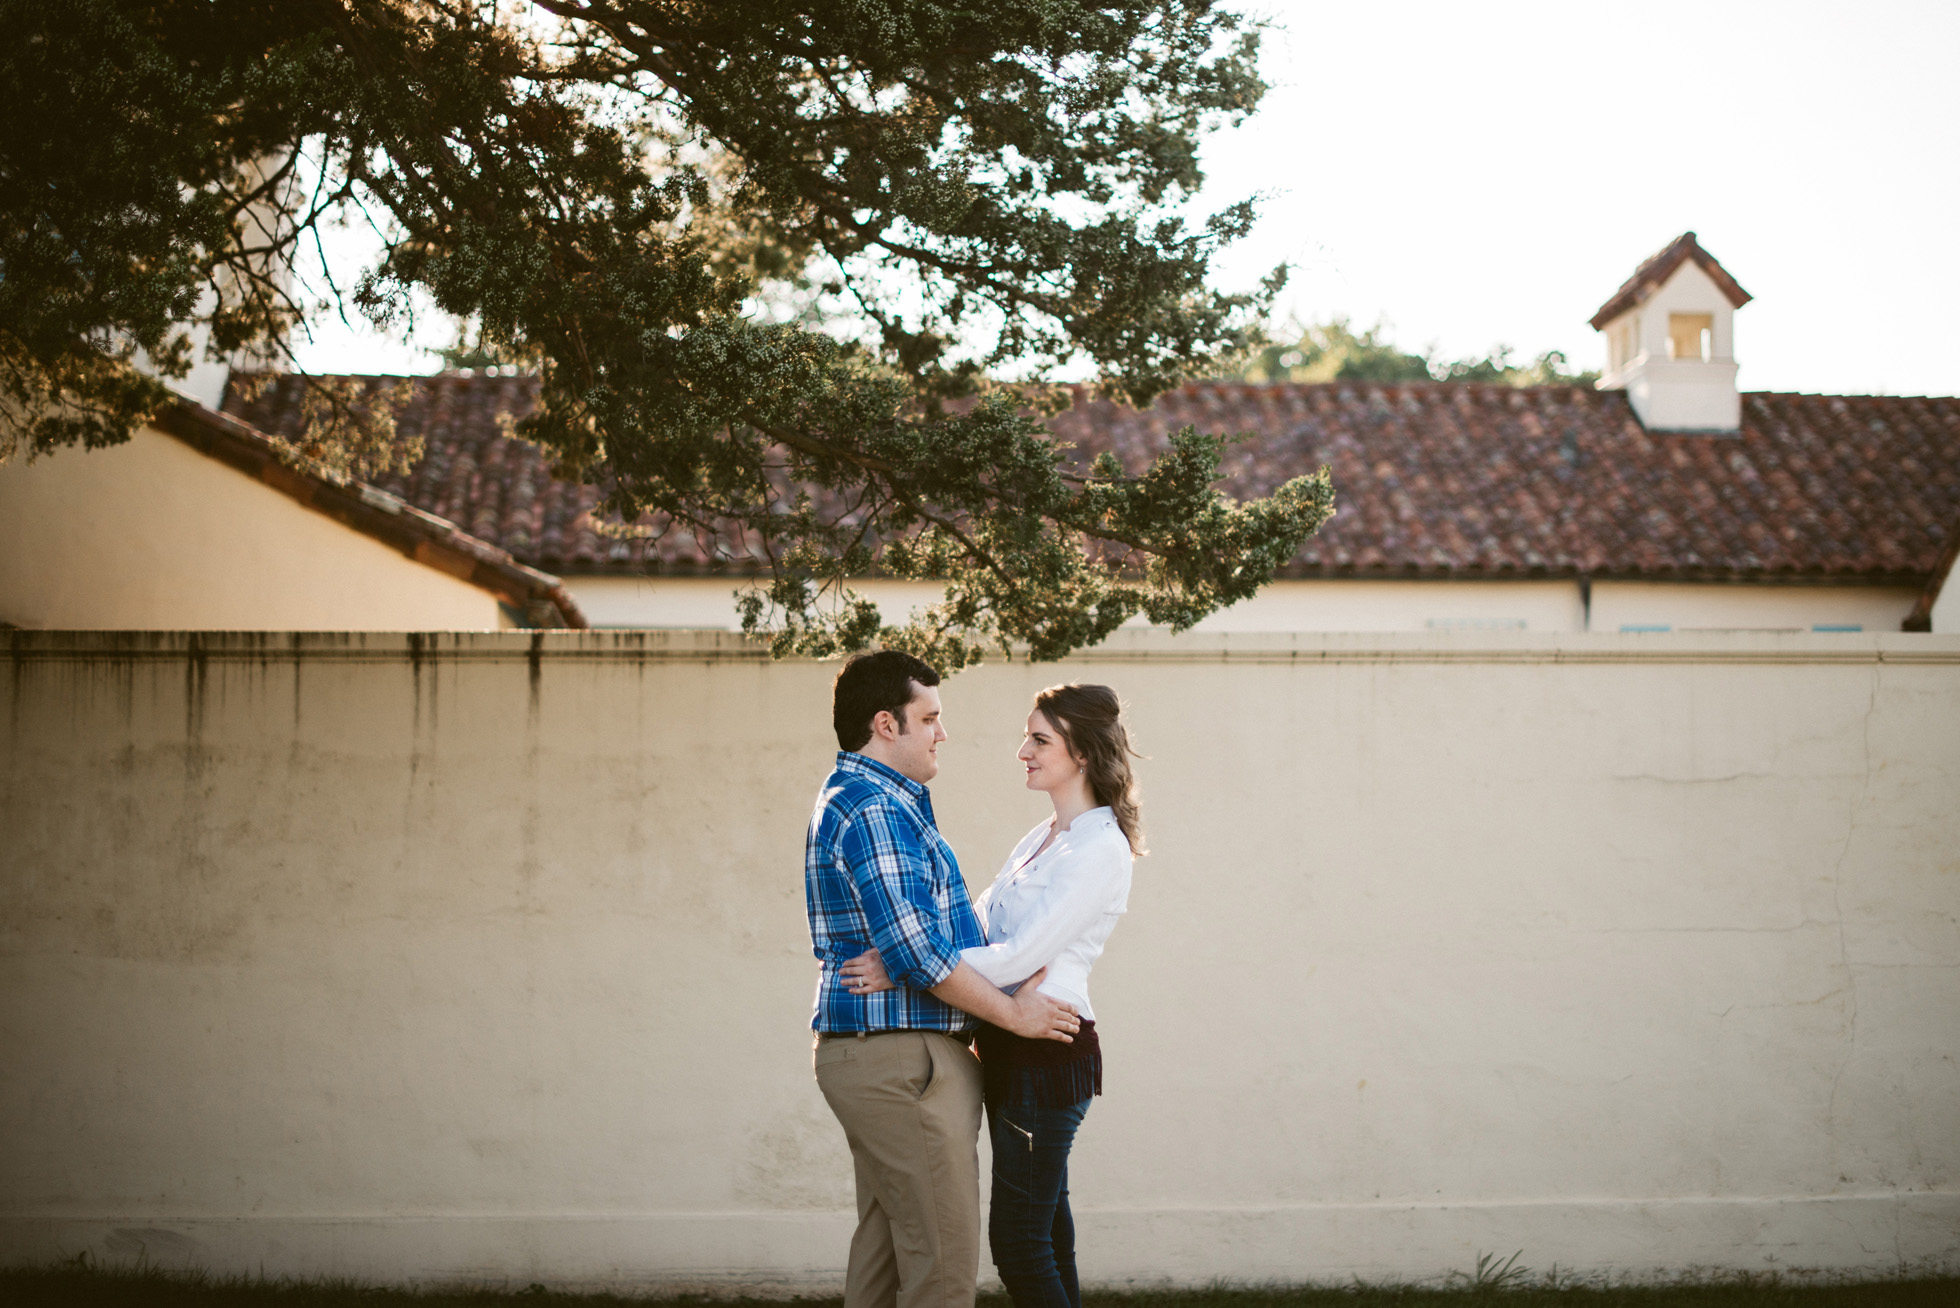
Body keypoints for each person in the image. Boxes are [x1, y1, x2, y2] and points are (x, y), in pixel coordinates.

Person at [844, 683, 1141, 1308]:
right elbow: (978, 929)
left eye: (1039, 740)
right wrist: (930, 946)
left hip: (1048, 1051)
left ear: (1081, 754)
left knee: (1019, 1243)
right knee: (1049, 1234)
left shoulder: (1099, 849)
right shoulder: (1042, 838)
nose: (1021, 751)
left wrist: (901, 963)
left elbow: (1017, 956)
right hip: (1008, 1043)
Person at [806, 650, 1082, 1308]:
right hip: (902, 1059)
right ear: (885, 725)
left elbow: (929, 942)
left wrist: (928, 952)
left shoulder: (874, 802)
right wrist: (1014, 1016)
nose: (941, 733)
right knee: (943, 1269)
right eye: (929, 718)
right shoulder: (875, 809)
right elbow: (919, 953)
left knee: (886, 1261)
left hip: (889, 1055)